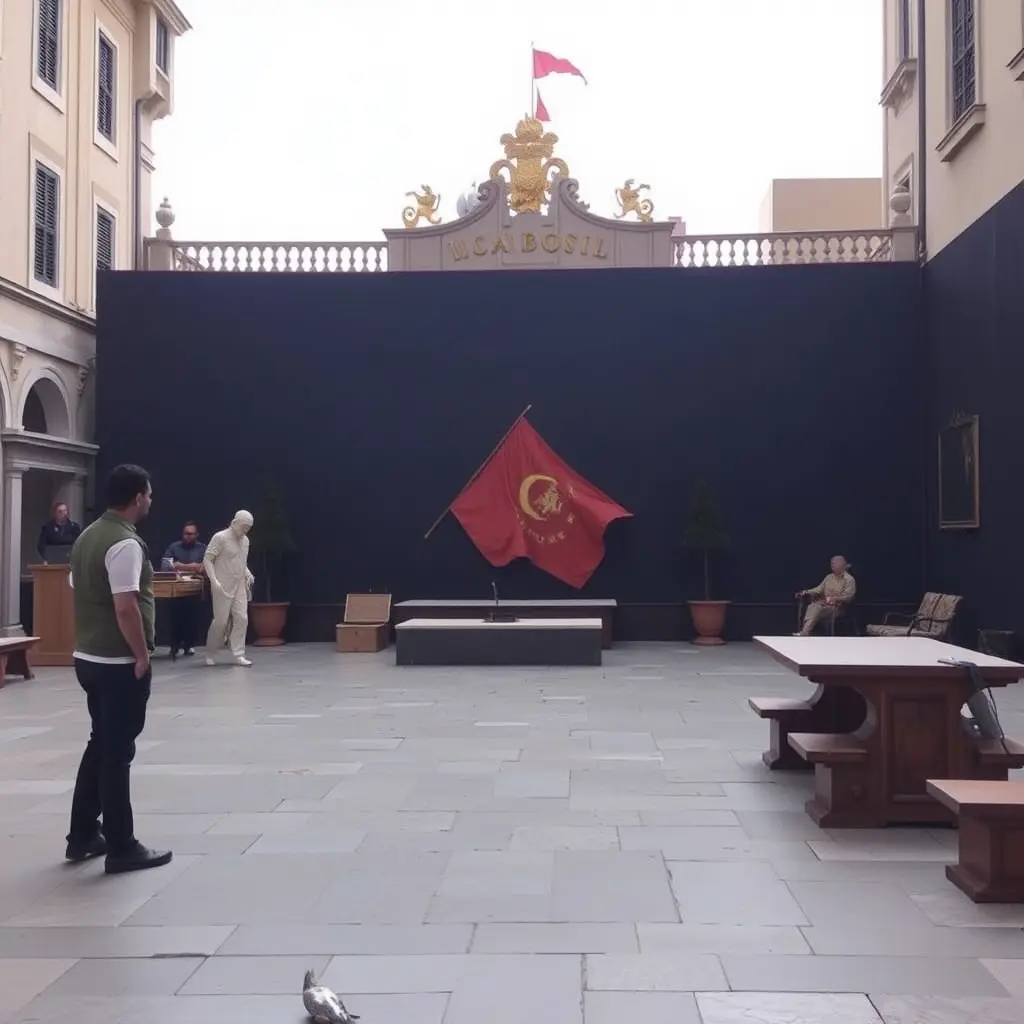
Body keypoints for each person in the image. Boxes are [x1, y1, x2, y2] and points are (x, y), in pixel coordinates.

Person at [65, 464, 172, 874]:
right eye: (149, 494)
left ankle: (82, 834)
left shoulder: (87, 536)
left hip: (88, 658)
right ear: (137, 498)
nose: (151, 501)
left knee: (100, 744)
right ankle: (122, 845)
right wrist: (141, 655)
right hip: (117, 662)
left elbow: (77, 587)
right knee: (117, 754)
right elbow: (125, 606)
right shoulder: (124, 543)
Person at [204, 510, 255, 667]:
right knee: (220, 622)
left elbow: (241, 562)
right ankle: (210, 652)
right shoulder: (220, 538)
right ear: (234, 523)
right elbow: (208, 559)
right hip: (222, 586)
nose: (245, 531)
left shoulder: (245, 541)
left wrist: (248, 573)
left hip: (239, 585)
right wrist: (214, 581)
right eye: (243, 527)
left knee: (242, 618)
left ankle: (238, 654)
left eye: (248, 528)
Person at [162, 521, 206, 658]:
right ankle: (174, 647)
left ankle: (189, 645)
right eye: (186, 533)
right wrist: (193, 566)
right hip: (176, 587)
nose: (188, 536)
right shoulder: (174, 547)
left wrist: (180, 565)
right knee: (175, 618)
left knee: (192, 618)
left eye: (191, 534)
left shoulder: (202, 548)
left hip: (194, 587)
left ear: (196, 535)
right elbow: (166, 565)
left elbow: (204, 566)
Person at [795, 555, 856, 636]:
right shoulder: (829, 577)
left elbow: (849, 596)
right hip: (825, 604)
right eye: (831, 563)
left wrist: (835, 599)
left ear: (842, 564)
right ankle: (805, 631)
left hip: (839, 607)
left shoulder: (849, 579)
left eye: (834, 563)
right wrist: (806, 592)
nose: (832, 565)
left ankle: (805, 632)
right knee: (813, 606)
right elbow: (819, 589)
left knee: (817, 609)